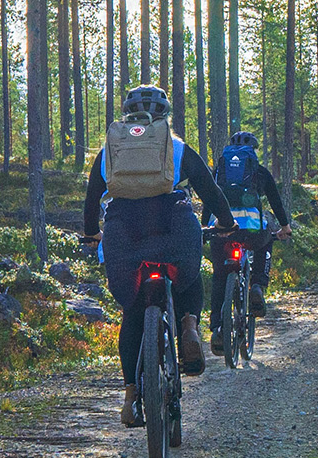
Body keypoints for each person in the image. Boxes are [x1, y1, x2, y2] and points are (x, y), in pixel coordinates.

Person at [82, 85, 236, 426]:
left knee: (134, 310)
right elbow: (210, 191)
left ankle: (130, 396)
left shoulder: (110, 150)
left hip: (124, 232)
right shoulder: (177, 146)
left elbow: (93, 198)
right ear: (166, 115)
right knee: (188, 279)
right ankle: (189, 324)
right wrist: (226, 223)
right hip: (173, 227)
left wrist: (92, 232)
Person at [211, 128, 293, 333]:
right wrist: (285, 227)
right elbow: (275, 202)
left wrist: (208, 228)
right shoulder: (260, 171)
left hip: (222, 230)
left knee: (219, 275)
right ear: (253, 150)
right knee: (266, 240)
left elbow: (208, 202)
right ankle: (257, 284)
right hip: (251, 230)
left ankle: (216, 328)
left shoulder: (219, 171)